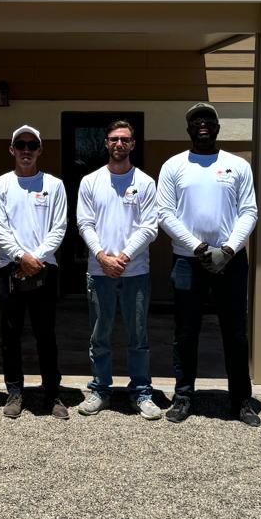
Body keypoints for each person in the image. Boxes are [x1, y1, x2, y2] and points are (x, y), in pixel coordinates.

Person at [156, 102, 260, 427]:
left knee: (235, 332)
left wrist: (227, 249)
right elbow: (165, 214)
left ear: (217, 128)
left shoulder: (237, 165)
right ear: (188, 129)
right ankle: (184, 396)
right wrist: (199, 247)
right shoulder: (174, 166)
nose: (202, 124)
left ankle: (241, 400)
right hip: (188, 261)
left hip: (230, 262)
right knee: (186, 331)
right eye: (196, 120)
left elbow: (249, 212)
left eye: (208, 120)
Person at [75, 119, 161, 420]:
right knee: (101, 334)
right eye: (114, 139)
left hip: (135, 271)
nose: (119, 144)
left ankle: (141, 392)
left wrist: (122, 257)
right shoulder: (90, 182)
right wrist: (102, 256)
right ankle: (100, 389)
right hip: (100, 272)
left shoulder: (146, 183)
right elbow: (84, 222)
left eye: (125, 139)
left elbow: (150, 227)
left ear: (133, 144)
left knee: (138, 335)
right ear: (106, 143)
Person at [0, 124, 69, 420]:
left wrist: (35, 259)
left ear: (39, 150)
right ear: (12, 149)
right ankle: (14, 391)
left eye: (31, 145)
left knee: (45, 334)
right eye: (20, 145)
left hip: (44, 269)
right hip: (9, 270)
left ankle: (52, 392)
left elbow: (59, 226)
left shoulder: (54, 185)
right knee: (10, 333)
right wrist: (20, 257)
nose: (26, 151)